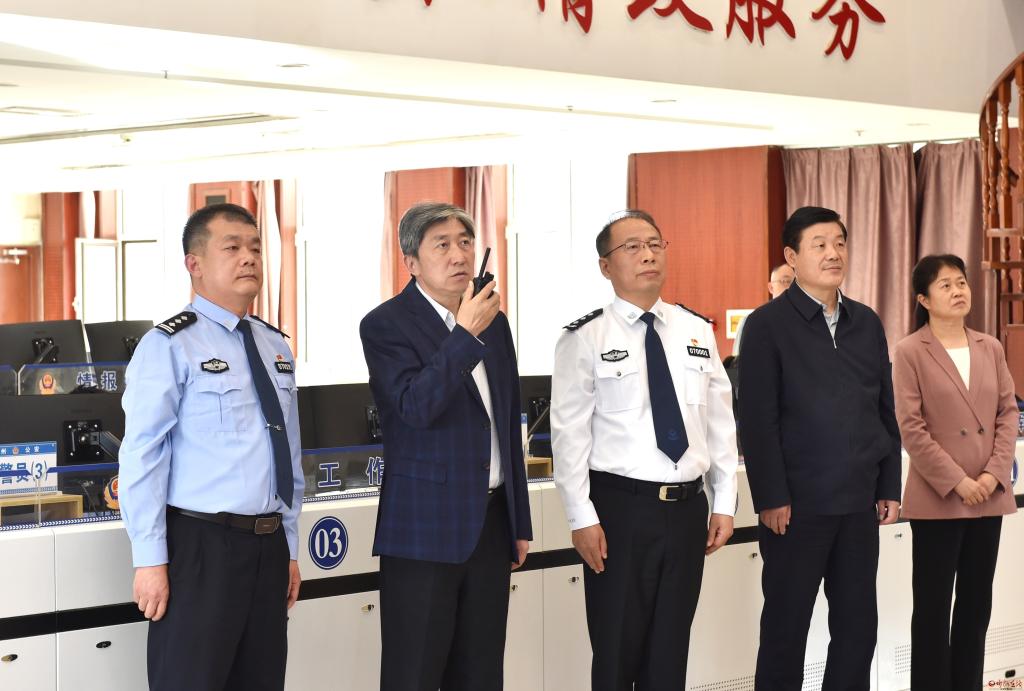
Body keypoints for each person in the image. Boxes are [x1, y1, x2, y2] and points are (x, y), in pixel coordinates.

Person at [119, 203, 304, 691]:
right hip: (201, 548)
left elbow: (288, 454)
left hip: (268, 547)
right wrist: (149, 558)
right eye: (233, 247)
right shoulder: (169, 345)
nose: (249, 258)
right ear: (194, 263)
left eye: (256, 248)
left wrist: (289, 545)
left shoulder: (275, 347)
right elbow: (143, 456)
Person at [551, 209, 738, 691]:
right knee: (617, 651)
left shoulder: (696, 329)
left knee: (670, 653)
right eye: (632, 247)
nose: (648, 254)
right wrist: (580, 517)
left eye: (655, 244)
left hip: (688, 510)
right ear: (605, 265)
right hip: (621, 511)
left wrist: (724, 501)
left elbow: (719, 423)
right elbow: (569, 435)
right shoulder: (584, 337)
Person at [359, 201, 532, 691]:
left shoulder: (494, 321)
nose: (459, 255)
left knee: (481, 674)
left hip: (491, 525)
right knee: (414, 673)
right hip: (423, 528)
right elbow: (414, 408)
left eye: (465, 242)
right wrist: (464, 334)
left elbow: (507, 421)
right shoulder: (385, 324)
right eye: (442, 245)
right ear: (411, 262)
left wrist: (518, 520)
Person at [738, 205, 902, 691]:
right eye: (820, 245)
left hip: (857, 504)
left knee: (858, 630)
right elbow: (758, 420)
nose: (834, 254)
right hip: (796, 508)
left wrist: (889, 484)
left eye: (840, 243)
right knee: (786, 630)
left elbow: (883, 410)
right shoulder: (766, 325)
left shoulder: (865, 322)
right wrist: (771, 496)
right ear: (792, 257)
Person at [892, 254, 1018, 691]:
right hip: (939, 497)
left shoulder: (990, 346)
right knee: (932, 609)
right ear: (923, 299)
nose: (957, 291)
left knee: (976, 606)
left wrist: (992, 474)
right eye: (945, 285)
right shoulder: (910, 351)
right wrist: (959, 481)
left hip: (988, 495)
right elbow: (911, 428)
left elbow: (1007, 413)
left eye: (961, 282)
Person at [731, 262, 794, 357]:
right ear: (771, 287)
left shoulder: (803, 321)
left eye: (795, 283)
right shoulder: (753, 320)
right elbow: (738, 360)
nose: (790, 287)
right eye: (785, 281)